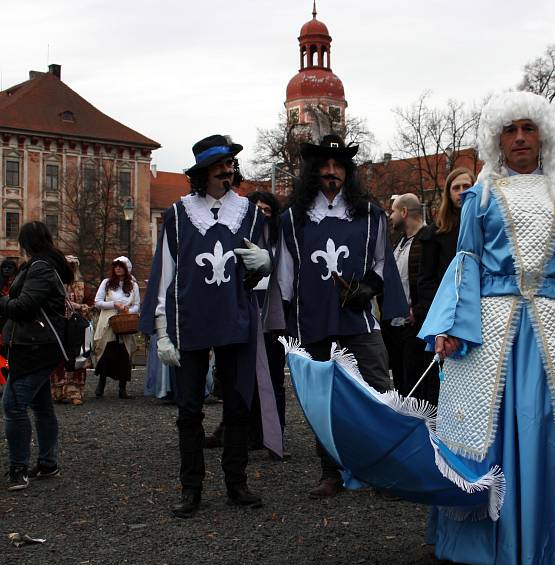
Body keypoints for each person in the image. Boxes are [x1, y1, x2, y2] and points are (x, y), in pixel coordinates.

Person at [418, 91, 555, 565]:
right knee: (485, 425)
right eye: (510, 130)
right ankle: (488, 547)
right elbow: (465, 263)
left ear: (544, 136)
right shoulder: (481, 196)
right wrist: (450, 327)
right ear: (497, 139)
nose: (519, 138)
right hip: (493, 329)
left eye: (528, 129)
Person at [139, 134, 280, 518]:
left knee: (237, 406)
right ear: (203, 173)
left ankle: (237, 483)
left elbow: (260, 278)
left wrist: (264, 266)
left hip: (236, 319)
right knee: (189, 411)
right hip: (190, 324)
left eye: (231, 165)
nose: (227, 171)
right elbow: (165, 273)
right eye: (219, 167)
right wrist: (163, 330)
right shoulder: (179, 214)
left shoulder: (249, 213)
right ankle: (192, 489)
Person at [277, 134, 407, 498]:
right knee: (321, 399)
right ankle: (330, 472)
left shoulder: (370, 215)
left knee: (380, 390)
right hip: (311, 321)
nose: (331, 172)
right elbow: (286, 275)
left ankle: (387, 469)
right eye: (323, 166)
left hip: (358, 320)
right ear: (312, 172)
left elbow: (382, 261)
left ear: (348, 172)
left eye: (338, 166)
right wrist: (283, 325)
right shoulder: (293, 220)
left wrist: (368, 287)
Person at [205, 190, 288, 459]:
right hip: (243, 311)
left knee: (273, 378)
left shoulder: (278, 240)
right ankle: (245, 433)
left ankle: (275, 435)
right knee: (241, 377)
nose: (262, 213)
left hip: (270, 313)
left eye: (267, 210)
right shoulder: (235, 238)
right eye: (257, 209)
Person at [2, 221, 73, 490]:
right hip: (38, 345)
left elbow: (24, 306)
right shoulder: (46, 265)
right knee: (41, 406)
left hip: (34, 347)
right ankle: (47, 463)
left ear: (27, 243)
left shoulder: (41, 267)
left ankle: (18, 469)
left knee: (13, 406)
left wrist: (3, 301)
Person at [416, 167, 475, 403]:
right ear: (448, 193)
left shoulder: (484, 226)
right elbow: (426, 281)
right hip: (445, 316)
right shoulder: (435, 233)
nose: (461, 192)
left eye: (466, 186)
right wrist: (441, 321)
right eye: (456, 187)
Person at [383, 193, 428, 398]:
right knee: (402, 386)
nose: (390, 216)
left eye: (393, 211)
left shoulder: (428, 240)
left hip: (416, 329)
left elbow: (433, 284)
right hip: (396, 330)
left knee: (418, 389)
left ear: (404, 212)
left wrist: (417, 312)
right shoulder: (399, 244)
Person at [93, 257, 140, 399]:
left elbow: (137, 305)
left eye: (121, 266)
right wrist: (114, 304)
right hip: (109, 322)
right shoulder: (107, 283)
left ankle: (122, 388)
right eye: (116, 266)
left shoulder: (133, 285)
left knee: (124, 355)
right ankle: (100, 385)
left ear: (127, 269)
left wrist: (127, 311)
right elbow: (98, 302)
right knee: (106, 353)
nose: (118, 269)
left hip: (125, 322)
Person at [50, 256, 92, 405]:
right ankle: (58, 392)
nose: (70, 268)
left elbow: (90, 302)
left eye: (73, 266)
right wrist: (77, 306)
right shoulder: (55, 284)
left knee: (77, 357)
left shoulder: (82, 286)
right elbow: (55, 302)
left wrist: (85, 308)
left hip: (75, 326)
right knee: (59, 357)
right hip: (59, 324)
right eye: (68, 265)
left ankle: (75, 392)